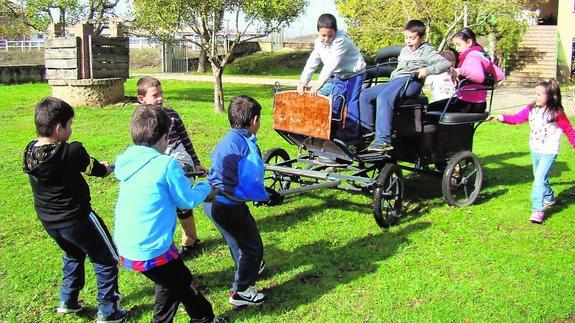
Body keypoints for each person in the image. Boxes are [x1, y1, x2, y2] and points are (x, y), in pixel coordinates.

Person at [113, 105, 224, 323]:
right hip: (151, 247)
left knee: (169, 282)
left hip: (127, 245)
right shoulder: (166, 164)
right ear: (165, 138)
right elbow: (186, 200)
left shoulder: (127, 159)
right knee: (184, 284)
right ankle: (205, 318)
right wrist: (206, 186)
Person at [23, 97, 125, 322]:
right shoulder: (72, 151)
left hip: (50, 222)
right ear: (59, 128)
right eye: (70, 125)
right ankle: (109, 311)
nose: (71, 129)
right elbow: (96, 170)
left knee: (73, 253)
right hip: (78, 218)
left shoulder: (30, 152)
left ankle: (68, 301)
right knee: (106, 258)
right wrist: (105, 168)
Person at [206, 95, 270, 307]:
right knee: (253, 247)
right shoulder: (246, 147)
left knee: (237, 241)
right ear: (254, 120)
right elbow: (252, 182)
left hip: (212, 203)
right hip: (229, 205)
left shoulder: (230, 139)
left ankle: (249, 269)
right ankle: (241, 291)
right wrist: (265, 196)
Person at [487, 79, 575, 224]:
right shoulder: (531, 109)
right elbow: (516, 119)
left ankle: (537, 210)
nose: (536, 97)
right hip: (535, 149)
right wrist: (500, 117)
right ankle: (549, 198)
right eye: (536, 94)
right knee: (540, 177)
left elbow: (569, 130)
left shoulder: (556, 114)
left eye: (540, 94)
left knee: (538, 179)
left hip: (549, 151)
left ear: (552, 97)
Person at [137, 76, 207, 257]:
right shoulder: (141, 121)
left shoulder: (172, 115)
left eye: (161, 93)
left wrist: (196, 163)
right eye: (155, 95)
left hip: (178, 158)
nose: (160, 98)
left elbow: (185, 140)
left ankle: (190, 239)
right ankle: (164, 244)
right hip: (156, 160)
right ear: (142, 99)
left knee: (179, 198)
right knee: (163, 201)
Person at [359, 19, 450, 152]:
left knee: (384, 98)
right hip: (396, 81)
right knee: (365, 95)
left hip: (411, 81)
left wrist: (426, 71)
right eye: (406, 38)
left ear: (421, 37)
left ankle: (383, 140)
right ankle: (367, 133)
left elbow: (445, 64)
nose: (408, 41)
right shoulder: (404, 51)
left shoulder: (426, 50)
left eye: (412, 38)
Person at [297, 13, 366, 145]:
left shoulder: (341, 41)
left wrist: (319, 83)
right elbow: (312, 62)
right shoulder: (319, 43)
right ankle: (331, 135)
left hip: (355, 73)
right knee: (334, 103)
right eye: (324, 35)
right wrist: (303, 81)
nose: (327, 38)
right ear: (318, 32)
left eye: (330, 35)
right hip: (340, 75)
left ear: (335, 31)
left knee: (351, 102)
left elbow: (332, 63)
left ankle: (352, 140)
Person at [428, 27, 505, 113]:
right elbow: (500, 75)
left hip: (468, 104)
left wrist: (459, 71)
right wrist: (484, 85)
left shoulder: (472, 55)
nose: (456, 49)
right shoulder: (482, 55)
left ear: (469, 42)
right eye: (455, 45)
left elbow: (479, 76)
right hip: (480, 103)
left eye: (459, 45)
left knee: (430, 108)